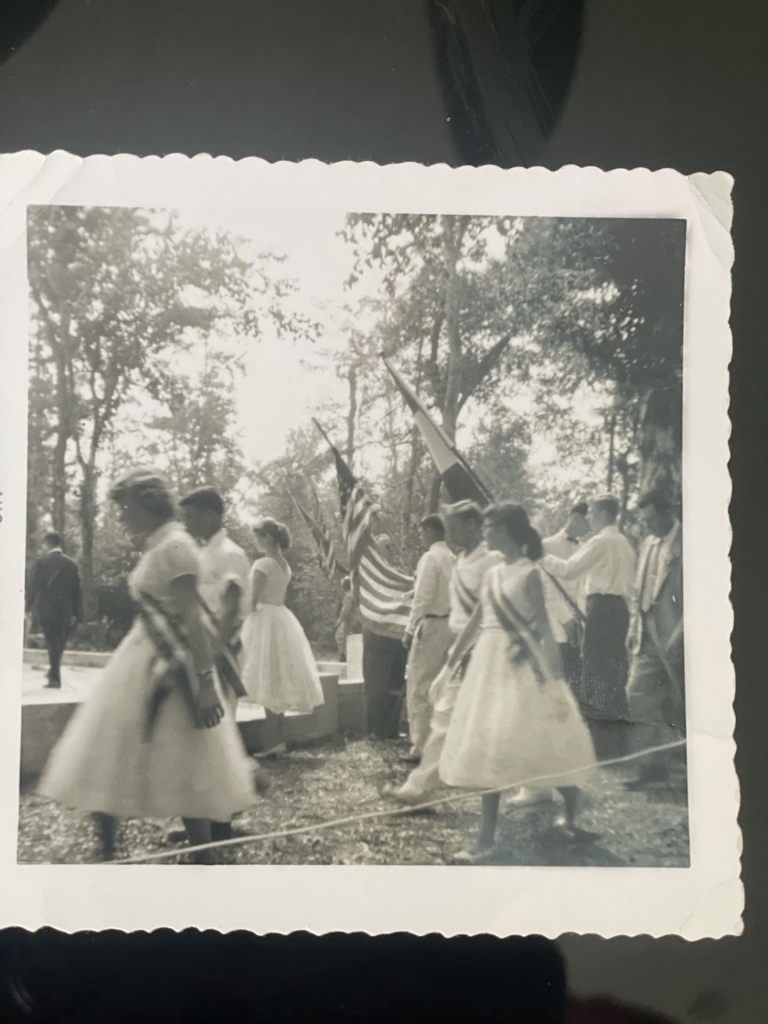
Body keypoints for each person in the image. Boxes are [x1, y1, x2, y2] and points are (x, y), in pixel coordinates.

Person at [38, 470, 255, 863]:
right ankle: (107, 852)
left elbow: (193, 622)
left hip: (170, 670)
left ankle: (205, 860)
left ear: (150, 504)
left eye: (126, 508)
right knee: (110, 753)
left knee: (187, 767)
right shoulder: (159, 544)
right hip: (139, 664)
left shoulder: (174, 547)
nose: (121, 517)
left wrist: (205, 685)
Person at [439, 503, 596, 861]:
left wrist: (553, 680)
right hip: (488, 667)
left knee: (547, 745)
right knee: (491, 748)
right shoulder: (492, 573)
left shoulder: (530, 574)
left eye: (490, 526)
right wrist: (447, 668)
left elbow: (542, 628)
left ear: (507, 529)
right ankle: (486, 841)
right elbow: (475, 622)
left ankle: (569, 818)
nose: (485, 532)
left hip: (521, 665)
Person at [383, 500, 502, 804]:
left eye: (456, 528)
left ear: (474, 525)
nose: (451, 535)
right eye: (448, 529)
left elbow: (494, 610)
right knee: (445, 718)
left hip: (488, 649)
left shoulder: (492, 560)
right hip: (460, 646)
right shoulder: (459, 559)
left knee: (504, 721)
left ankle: (542, 783)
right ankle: (419, 788)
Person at [179, 486, 269, 837]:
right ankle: (207, 816)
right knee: (207, 738)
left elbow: (234, 609)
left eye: (192, 517)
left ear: (213, 515)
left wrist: (214, 652)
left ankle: (222, 821)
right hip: (204, 650)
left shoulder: (229, 554)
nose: (187, 525)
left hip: (220, 653)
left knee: (218, 732)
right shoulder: (206, 553)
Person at [540, 494, 636, 760]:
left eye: (593, 513)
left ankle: (602, 749)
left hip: (601, 610)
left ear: (603, 513)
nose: (590, 518)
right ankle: (618, 746)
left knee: (595, 674)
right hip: (619, 611)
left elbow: (569, 570)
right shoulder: (625, 544)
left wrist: (541, 555)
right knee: (615, 674)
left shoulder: (601, 541)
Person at [513, 502, 590, 806]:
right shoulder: (542, 548)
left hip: (566, 631)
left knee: (558, 702)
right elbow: (547, 592)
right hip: (549, 632)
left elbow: (569, 590)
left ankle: (557, 779)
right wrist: (566, 621)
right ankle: (543, 781)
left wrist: (577, 621)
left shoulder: (581, 548)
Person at [240, 517, 324, 758]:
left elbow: (252, 599)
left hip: (264, 619)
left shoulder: (262, 564)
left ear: (267, 538)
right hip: (280, 617)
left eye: (257, 537)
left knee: (267, 676)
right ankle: (276, 741)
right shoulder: (283, 564)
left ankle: (274, 742)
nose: (255, 541)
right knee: (274, 678)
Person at [624, 490, 685, 791]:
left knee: (687, 704)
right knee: (638, 696)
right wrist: (634, 627)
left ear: (667, 512)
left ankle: (695, 774)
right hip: (647, 636)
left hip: (680, 639)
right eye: (643, 520)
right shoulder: (647, 544)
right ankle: (652, 767)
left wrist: (679, 637)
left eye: (650, 519)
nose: (645, 525)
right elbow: (639, 589)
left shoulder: (690, 541)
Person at [401, 514, 455, 762]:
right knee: (442, 686)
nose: (421, 538)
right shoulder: (452, 558)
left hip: (432, 624)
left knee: (420, 686)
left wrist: (410, 629)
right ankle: (441, 743)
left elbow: (423, 598)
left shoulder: (431, 557)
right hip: (451, 625)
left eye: (423, 533)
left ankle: (420, 746)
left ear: (431, 532)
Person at [25, 532, 83, 688]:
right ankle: (53, 671)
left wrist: (27, 607)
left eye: (44, 544)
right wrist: (77, 614)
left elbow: (33, 588)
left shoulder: (41, 563)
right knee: (59, 642)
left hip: (47, 609)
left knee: (51, 642)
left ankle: (55, 678)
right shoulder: (72, 564)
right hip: (66, 611)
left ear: (48, 544)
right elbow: (77, 592)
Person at [334, 576, 359, 662]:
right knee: (344, 637)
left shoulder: (349, 596)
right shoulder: (351, 594)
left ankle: (344, 656)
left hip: (349, 619)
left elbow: (346, 610)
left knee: (340, 636)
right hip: (352, 619)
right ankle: (345, 656)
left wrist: (340, 620)